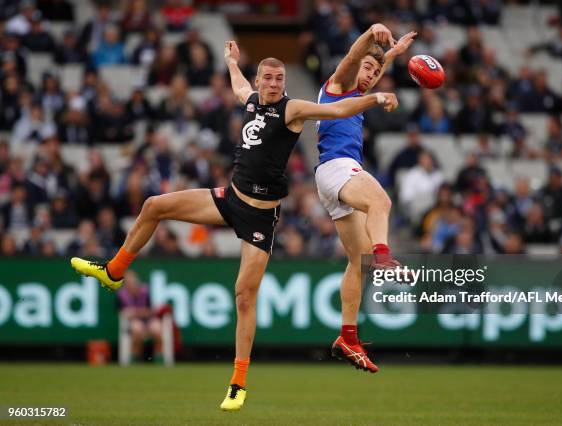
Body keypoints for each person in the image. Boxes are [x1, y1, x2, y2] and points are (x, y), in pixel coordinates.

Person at [71, 40, 398, 411]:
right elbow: (239, 84)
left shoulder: (292, 109)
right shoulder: (251, 99)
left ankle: (238, 382)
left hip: (261, 215)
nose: (274, 84)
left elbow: (337, 108)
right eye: (268, 78)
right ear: (260, 81)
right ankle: (114, 271)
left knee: (244, 296)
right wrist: (230, 61)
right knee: (153, 206)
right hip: (230, 199)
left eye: (280, 78)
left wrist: (374, 98)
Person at [315, 23, 416, 374]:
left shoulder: (360, 87)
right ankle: (385, 257)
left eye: (376, 72)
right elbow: (354, 57)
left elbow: (372, 63)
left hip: (332, 179)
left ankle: (347, 336)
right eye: (368, 69)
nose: (371, 75)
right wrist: (372, 35)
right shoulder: (339, 84)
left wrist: (392, 55)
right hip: (338, 168)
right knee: (381, 202)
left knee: (358, 263)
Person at [117, 271, 163, 362]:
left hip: (149, 320)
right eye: (129, 282)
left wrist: (135, 312)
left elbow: (150, 311)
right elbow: (122, 312)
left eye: (134, 282)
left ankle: (159, 357)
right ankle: (136, 357)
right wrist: (136, 314)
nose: (132, 284)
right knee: (137, 329)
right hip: (132, 322)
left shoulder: (145, 292)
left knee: (157, 329)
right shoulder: (121, 295)